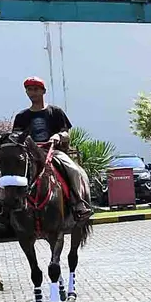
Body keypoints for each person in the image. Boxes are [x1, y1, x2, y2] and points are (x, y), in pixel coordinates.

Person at [11, 76, 91, 220]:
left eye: (36, 89)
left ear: (43, 91)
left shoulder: (55, 111)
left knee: (72, 169)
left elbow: (66, 132)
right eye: (29, 90)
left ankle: (78, 202)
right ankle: (9, 206)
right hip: (30, 155)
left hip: (53, 151)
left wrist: (59, 136)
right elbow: (16, 137)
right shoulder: (21, 116)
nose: (32, 93)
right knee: (6, 173)